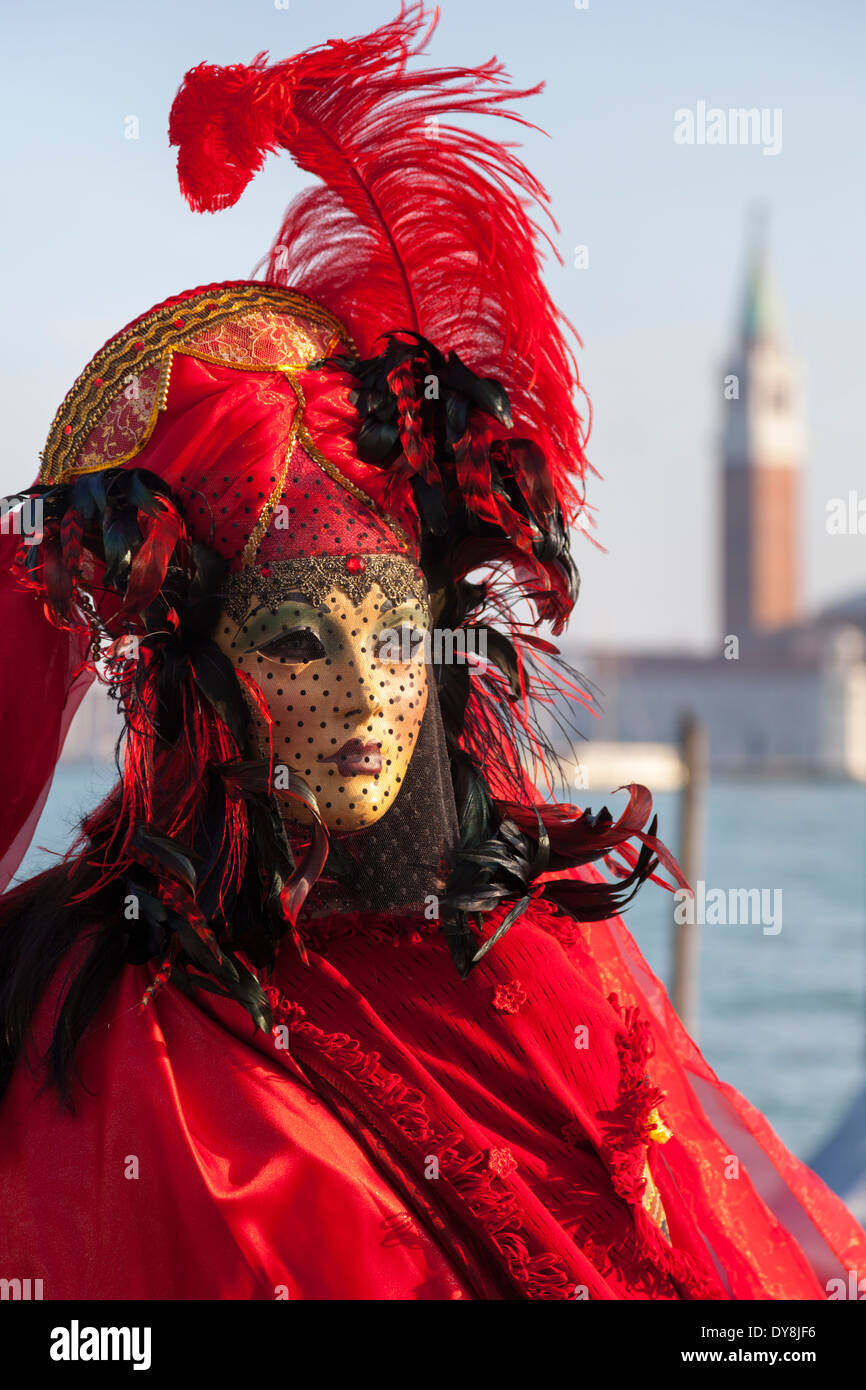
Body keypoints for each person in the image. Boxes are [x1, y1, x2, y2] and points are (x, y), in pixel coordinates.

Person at [0, 5, 862, 1301]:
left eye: (398, 631)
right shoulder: (114, 1046)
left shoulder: (528, 964)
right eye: (297, 637)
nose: (364, 692)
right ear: (196, 659)